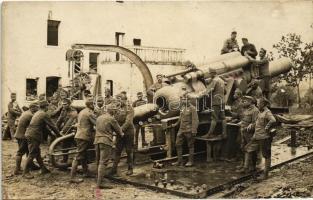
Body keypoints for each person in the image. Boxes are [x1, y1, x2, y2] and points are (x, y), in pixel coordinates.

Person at [23, 100, 60, 179]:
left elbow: (44, 127)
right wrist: (59, 135)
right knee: (32, 153)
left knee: (37, 153)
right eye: (48, 106)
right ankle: (25, 172)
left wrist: (52, 134)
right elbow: (52, 126)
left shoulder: (38, 113)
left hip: (31, 134)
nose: (48, 108)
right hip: (34, 135)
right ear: (46, 106)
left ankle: (43, 168)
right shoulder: (44, 114)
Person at [243, 97, 276, 179]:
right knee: (247, 148)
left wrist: (266, 128)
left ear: (263, 104)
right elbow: (257, 123)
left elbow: (273, 120)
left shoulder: (267, 112)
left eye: (258, 103)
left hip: (264, 137)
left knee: (266, 155)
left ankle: (265, 174)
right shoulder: (259, 112)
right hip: (256, 136)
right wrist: (252, 124)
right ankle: (247, 168)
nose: (257, 104)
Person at [94, 103, 124, 189]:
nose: (115, 111)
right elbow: (120, 132)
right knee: (103, 162)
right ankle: (100, 184)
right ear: (111, 111)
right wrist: (121, 133)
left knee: (98, 161)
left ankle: (99, 179)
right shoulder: (111, 119)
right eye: (114, 110)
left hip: (97, 140)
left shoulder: (99, 118)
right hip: (105, 141)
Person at [70, 98, 96, 183]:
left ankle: (85, 172)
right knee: (78, 156)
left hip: (80, 135)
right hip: (84, 136)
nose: (94, 105)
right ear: (91, 105)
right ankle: (72, 177)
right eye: (93, 104)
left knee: (83, 155)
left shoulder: (82, 111)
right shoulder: (89, 113)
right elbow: (97, 123)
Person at [110, 94, 135, 176]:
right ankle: (113, 169)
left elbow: (128, 122)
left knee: (129, 150)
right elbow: (113, 120)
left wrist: (119, 131)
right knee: (118, 150)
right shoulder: (116, 109)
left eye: (120, 99)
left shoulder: (129, 109)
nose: (118, 101)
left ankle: (130, 168)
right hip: (120, 133)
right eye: (117, 100)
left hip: (128, 133)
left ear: (125, 100)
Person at [172, 95, 199, 167]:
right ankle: (179, 160)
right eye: (182, 99)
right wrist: (176, 124)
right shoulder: (182, 107)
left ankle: (190, 161)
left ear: (189, 100)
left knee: (190, 145)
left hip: (189, 130)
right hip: (181, 129)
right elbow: (180, 118)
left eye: (185, 99)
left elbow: (195, 120)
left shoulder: (193, 108)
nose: (183, 101)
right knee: (177, 144)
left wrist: (194, 130)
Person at [13, 103, 39, 175]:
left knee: (28, 150)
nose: (38, 109)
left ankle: (31, 165)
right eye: (37, 108)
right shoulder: (30, 115)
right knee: (20, 152)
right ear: (33, 108)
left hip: (20, 134)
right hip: (23, 136)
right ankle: (17, 170)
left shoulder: (26, 113)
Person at [201, 68, 227, 139]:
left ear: (213, 73)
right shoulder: (221, 80)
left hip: (216, 102)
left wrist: (202, 94)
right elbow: (225, 91)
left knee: (214, 118)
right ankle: (224, 134)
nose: (209, 75)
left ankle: (209, 134)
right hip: (222, 101)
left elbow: (209, 90)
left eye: (209, 73)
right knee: (223, 118)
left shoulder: (215, 80)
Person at [237, 96, 259, 173]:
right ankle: (244, 164)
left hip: (250, 133)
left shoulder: (255, 110)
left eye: (245, 101)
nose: (243, 102)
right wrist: (241, 123)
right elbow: (244, 119)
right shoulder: (246, 109)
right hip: (243, 132)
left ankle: (251, 166)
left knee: (250, 150)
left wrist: (250, 126)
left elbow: (256, 123)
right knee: (243, 148)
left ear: (251, 102)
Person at [56, 98, 78, 163]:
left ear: (69, 104)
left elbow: (69, 123)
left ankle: (82, 159)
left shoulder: (73, 111)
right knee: (64, 145)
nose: (63, 106)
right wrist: (55, 129)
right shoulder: (63, 110)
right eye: (62, 104)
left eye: (65, 104)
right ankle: (65, 159)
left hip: (73, 130)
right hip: (67, 131)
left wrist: (62, 131)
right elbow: (59, 120)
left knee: (78, 145)